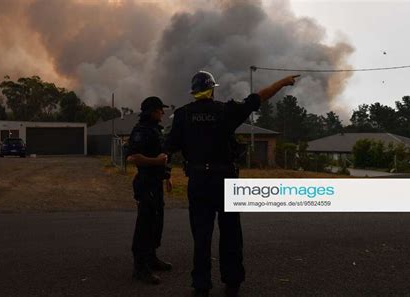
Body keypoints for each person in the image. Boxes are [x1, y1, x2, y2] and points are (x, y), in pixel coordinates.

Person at [164, 71, 299, 296]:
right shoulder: (225, 111)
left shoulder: (182, 115)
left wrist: (166, 174)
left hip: (198, 181)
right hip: (226, 180)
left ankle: (201, 284)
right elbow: (258, 97)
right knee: (231, 233)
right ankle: (232, 281)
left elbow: (168, 148)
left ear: (194, 91)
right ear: (213, 89)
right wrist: (283, 83)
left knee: (201, 235)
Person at [126, 96, 174, 285]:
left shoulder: (156, 130)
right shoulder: (141, 131)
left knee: (156, 223)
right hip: (145, 184)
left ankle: (152, 258)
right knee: (144, 226)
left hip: (156, 183)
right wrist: (156, 162)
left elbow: (164, 154)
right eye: (160, 109)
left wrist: (167, 176)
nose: (163, 112)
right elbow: (133, 158)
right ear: (152, 111)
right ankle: (140, 268)